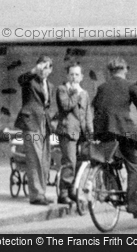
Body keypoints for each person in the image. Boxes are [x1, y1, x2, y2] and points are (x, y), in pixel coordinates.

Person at [92, 57, 137, 218]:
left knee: (109, 160)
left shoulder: (102, 87)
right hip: (125, 131)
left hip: (104, 131)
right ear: (125, 70)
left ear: (110, 72)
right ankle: (133, 204)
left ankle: (112, 189)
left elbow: (96, 107)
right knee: (134, 165)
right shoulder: (130, 87)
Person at [14, 56, 55, 205]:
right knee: (35, 158)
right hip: (31, 123)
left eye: (47, 68)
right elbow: (20, 79)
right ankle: (36, 195)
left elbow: (47, 105)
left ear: (50, 70)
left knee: (44, 158)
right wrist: (34, 70)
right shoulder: (29, 81)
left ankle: (42, 192)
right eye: (41, 67)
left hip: (44, 123)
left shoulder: (50, 85)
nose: (43, 70)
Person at [55, 62, 93, 204]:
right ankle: (63, 193)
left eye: (77, 74)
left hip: (82, 133)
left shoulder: (85, 93)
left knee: (80, 162)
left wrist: (90, 132)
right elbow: (66, 106)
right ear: (67, 75)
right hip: (67, 131)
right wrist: (75, 93)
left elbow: (87, 113)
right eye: (71, 74)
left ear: (82, 77)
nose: (74, 77)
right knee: (69, 161)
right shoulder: (62, 89)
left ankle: (72, 190)